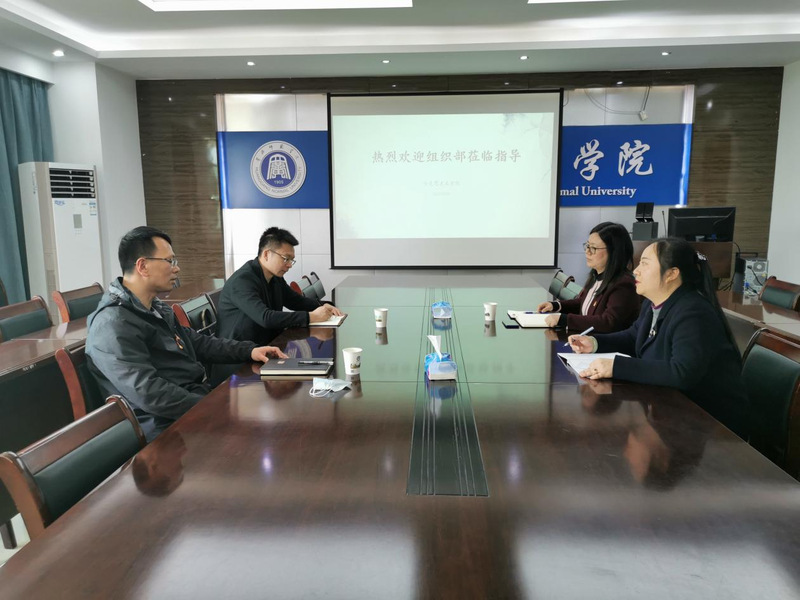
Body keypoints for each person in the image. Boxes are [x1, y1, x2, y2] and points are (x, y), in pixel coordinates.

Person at [86, 226, 287, 442]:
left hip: (193, 405)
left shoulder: (155, 308)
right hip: (165, 429)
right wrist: (212, 406)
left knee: (272, 415)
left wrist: (250, 350)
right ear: (142, 266)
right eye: (169, 261)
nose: (177, 268)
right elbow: (150, 393)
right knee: (263, 433)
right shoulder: (113, 325)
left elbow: (198, 343)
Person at [567, 237, 750, 439]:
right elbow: (634, 337)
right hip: (674, 411)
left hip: (713, 426)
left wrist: (616, 366)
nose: (636, 271)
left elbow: (682, 372)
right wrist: (595, 342)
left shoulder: (693, 312)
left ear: (672, 274)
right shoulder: (653, 303)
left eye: (645, 264)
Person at [216, 227, 343, 345]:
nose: (289, 265)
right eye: (285, 258)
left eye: (291, 260)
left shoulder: (275, 277)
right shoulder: (242, 281)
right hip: (239, 353)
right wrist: (311, 317)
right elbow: (266, 318)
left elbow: (295, 301)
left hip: (266, 344)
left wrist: (322, 306)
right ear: (266, 254)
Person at [538, 222, 639, 333]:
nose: (587, 252)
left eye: (593, 248)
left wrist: (565, 320)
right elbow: (583, 303)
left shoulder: (623, 284)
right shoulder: (596, 276)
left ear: (614, 251)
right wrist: (556, 305)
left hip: (602, 342)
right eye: (587, 246)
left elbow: (608, 322)